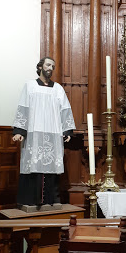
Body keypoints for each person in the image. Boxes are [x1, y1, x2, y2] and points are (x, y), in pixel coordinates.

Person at [12, 57, 76, 208]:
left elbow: (65, 109)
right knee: (33, 166)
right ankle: (30, 201)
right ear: (40, 66)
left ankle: (50, 200)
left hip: (53, 133)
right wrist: (20, 130)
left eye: (53, 66)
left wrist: (67, 130)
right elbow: (23, 107)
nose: (50, 68)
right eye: (48, 65)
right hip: (34, 133)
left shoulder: (58, 89)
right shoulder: (30, 86)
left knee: (51, 167)